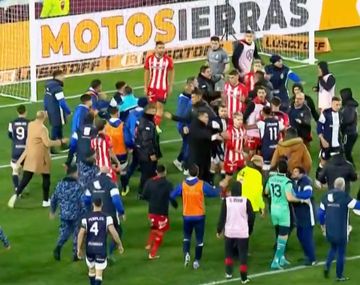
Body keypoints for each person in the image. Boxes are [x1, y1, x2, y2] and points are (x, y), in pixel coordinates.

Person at [8, 111, 68, 209]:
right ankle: (45, 201)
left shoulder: (30, 124)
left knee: (27, 177)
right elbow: (47, 143)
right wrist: (60, 142)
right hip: (41, 156)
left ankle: (16, 194)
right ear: (44, 118)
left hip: (30, 154)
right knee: (46, 177)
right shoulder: (43, 129)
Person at [170, 164, 219, 269]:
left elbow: (171, 195)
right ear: (197, 172)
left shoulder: (182, 185)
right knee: (199, 240)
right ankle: (196, 261)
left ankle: (186, 253)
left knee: (186, 237)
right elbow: (214, 193)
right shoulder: (202, 184)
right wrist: (220, 189)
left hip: (187, 215)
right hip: (199, 216)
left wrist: (175, 202)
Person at [318, 178, 360, 281]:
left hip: (330, 229)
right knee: (341, 252)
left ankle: (327, 266)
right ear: (343, 186)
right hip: (341, 230)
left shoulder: (325, 196)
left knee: (333, 248)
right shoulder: (344, 197)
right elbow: (357, 205)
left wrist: (323, 225)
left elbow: (320, 213)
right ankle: (339, 276)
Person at [265, 160, 304, 270]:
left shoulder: (271, 179)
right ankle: (275, 261)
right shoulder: (287, 182)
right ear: (286, 169)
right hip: (283, 211)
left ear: (277, 169)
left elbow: (266, 191)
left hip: (274, 210)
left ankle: (281, 258)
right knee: (283, 236)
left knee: (278, 234)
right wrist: (301, 200)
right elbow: (289, 198)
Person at [77, 198, 124, 285]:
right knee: (99, 273)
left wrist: (78, 249)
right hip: (100, 248)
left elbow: (80, 234)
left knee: (91, 270)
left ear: (93, 204)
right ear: (102, 204)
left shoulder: (86, 218)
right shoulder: (107, 217)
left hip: (90, 248)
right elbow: (113, 232)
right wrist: (119, 244)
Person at [83, 167, 125, 260]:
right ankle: (108, 253)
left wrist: (90, 210)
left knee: (98, 235)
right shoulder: (111, 183)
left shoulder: (91, 183)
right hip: (110, 214)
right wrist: (121, 212)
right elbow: (116, 200)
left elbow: (86, 199)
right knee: (117, 231)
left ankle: (93, 255)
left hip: (95, 213)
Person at [217, 181, 254, 283]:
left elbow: (222, 217)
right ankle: (243, 278)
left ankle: (228, 273)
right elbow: (251, 217)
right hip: (242, 232)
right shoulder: (246, 201)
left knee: (228, 253)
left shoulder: (227, 201)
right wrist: (249, 229)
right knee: (243, 255)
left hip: (229, 232)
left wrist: (219, 230)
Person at [142, 165, 178, 259]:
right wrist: (175, 205)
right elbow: (172, 197)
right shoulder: (168, 184)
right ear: (165, 172)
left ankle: (149, 244)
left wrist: (152, 200)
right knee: (160, 233)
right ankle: (152, 254)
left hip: (152, 210)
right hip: (162, 212)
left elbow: (144, 195)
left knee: (154, 227)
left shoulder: (149, 182)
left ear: (156, 171)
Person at [50, 164, 84, 262]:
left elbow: (54, 198)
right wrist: (86, 212)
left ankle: (58, 246)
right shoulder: (78, 186)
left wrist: (52, 211)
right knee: (76, 234)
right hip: (76, 214)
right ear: (74, 173)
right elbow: (82, 201)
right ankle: (75, 254)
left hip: (64, 213)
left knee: (66, 231)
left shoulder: (60, 184)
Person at [144, 41, 175, 132]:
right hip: (152, 87)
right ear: (155, 49)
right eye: (160, 47)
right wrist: (145, 86)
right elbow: (146, 72)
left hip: (163, 88)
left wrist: (170, 85)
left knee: (160, 107)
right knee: (152, 107)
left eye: (163, 47)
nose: (161, 49)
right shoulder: (149, 59)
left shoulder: (168, 60)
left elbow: (171, 72)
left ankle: (156, 126)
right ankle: (152, 122)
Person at [291, 167, 317, 266]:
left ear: (301, 173)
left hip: (307, 215)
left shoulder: (306, 181)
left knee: (307, 237)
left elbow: (308, 194)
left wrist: (295, 194)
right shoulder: (295, 182)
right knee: (300, 235)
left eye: (296, 171)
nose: (293, 173)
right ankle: (307, 256)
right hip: (299, 215)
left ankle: (312, 259)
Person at [188, 111, 222, 183]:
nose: (207, 119)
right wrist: (215, 136)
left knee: (206, 169)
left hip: (203, 152)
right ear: (200, 117)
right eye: (206, 117)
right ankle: (200, 186)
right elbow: (203, 134)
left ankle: (207, 183)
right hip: (198, 154)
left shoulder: (200, 124)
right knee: (201, 171)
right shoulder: (195, 126)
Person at [135, 103, 161, 192]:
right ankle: (143, 191)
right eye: (152, 110)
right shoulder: (146, 123)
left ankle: (146, 190)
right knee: (147, 173)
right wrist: (152, 153)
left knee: (148, 172)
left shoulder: (146, 120)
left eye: (155, 110)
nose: (154, 112)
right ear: (147, 111)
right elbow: (147, 141)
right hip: (146, 154)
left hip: (143, 153)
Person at [316, 97, 342, 185]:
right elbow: (319, 127)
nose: (338, 107)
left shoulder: (340, 114)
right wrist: (322, 140)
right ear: (332, 104)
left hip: (336, 144)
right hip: (326, 143)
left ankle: (331, 180)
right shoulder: (325, 113)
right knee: (323, 162)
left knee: (335, 162)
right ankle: (318, 179)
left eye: (339, 105)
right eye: (336, 104)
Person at [173, 77, 197, 172]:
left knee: (186, 144)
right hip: (185, 126)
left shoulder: (189, 96)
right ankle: (186, 167)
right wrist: (184, 126)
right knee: (189, 146)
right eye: (196, 84)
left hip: (187, 124)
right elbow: (181, 115)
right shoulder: (184, 99)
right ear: (190, 85)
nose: (197, 85)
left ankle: (178, 161)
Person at [105, 107, 129, 196]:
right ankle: (124, 188)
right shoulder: (123, 125)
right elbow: (127, 139)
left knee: (111, 171)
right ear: (117, 113)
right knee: (123, 171)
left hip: (110, 153)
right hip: (122, 152)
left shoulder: (106, 126)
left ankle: (113, 189)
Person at [44, 70, 71, 144]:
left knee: (58, 126)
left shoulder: (48, 85)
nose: (64, 78)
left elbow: (46, 98)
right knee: (56, 127)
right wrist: (68, 111)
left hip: (50, 108)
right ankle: (52, 146)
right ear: (58, 76)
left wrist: (45, 108)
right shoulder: (57, 88)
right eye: (62, 76)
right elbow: (62, 102)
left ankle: (61, 143)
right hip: (56, 110)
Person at [91, 119, 121, 184]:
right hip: (106, 167)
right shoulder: (106, 138)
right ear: (104, 126)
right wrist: (117, 162)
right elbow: (111, 153)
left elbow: (93, 154)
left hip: (97, 167)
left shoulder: (93, 139)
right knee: (113, 185)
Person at [221, 112, 246, 188]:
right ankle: (222, 193)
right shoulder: (230, 131)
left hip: (240, 157)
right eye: (238, 119)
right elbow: (229, 145)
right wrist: (241, 152)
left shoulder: (243, 129)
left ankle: (241, 191)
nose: (240, 121)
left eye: (241, 119)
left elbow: (243, 142)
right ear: (234, 120)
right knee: (228, 177)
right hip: (231, 158)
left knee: (243, 174)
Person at [243, 86, 270, 156]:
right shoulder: (252, 104)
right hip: (252, 133)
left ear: (265, 94)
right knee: (251, 153)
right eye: (259, 93)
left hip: (262, 134)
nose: (261, 95)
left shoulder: (268, 104)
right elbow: (244, 116)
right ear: (257, 94)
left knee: (260, 153)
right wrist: (245, 129)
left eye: (263, 93)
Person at [8, 104, 29, 192]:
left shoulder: (12, 123)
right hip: (26, 150)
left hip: (16, 150)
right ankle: (24, 187)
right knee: (26, 170)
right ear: (25, 112)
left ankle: (17, 188)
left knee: (15, 170)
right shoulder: (29, 123)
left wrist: (16, 140)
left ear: (17, 112)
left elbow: (10, 135)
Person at [256, 106, 284, 171]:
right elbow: (285, 129)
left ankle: (266, 180)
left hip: (266, 149)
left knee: (266, 169)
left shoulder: (261, 123)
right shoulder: (278, 122)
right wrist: (282, 139)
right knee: (275, 167)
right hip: (276, 149)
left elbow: (249, 128)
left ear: (262, 113)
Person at [340, 88, 358, 166]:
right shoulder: (350, 105)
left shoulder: (349, 107)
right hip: (351, 132)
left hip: (349, 133)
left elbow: (348, 120)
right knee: (346, 151)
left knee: (346, 151)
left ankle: (351, 167)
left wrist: (341, 125)